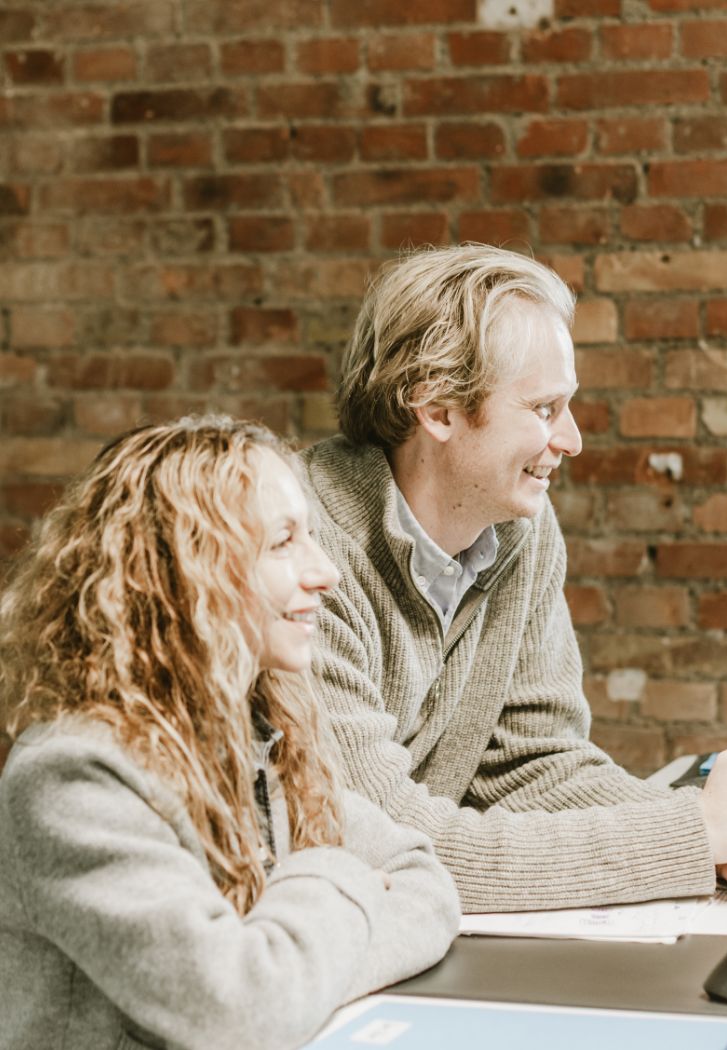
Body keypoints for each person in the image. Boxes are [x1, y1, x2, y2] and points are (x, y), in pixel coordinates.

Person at [302, 244, 727, 914]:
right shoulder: (297, 555)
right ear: (438, 410)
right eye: (544, 409)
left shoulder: (519, 530)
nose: (573, 440)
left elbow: (535, 764)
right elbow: (386, 844)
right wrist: (692, 831)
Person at [0, 418, 459, 1050]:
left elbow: (424, 881)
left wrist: (295, 973)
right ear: (186, 573)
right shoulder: (72, 778)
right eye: (282, 543)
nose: (325, 572)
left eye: (314, 537)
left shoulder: (266, 735)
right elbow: (238, 1012)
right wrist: (335, 875)